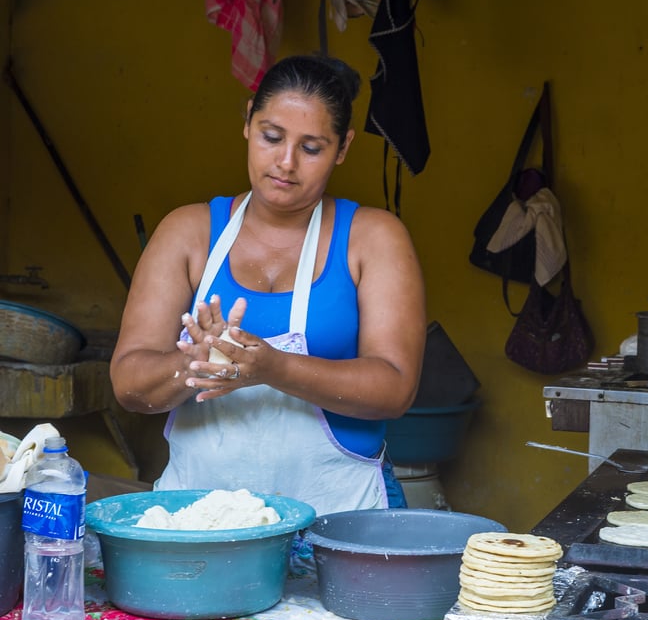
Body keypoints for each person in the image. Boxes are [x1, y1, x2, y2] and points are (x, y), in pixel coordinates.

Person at [110, 54, 426, 516]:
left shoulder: (373, 239)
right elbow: (128, 385)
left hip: (340, 517)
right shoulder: (188, 233)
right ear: (247, 122)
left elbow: (395, 388)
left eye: (312, 148)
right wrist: (191, 363)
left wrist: (273, 369)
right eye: (271, 137)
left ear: (342, 148)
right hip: (201, 518)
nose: (285, 162)